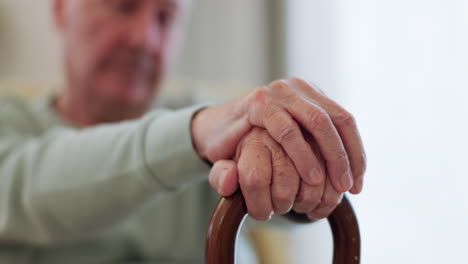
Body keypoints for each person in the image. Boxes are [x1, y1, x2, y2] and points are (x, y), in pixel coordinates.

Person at [0, 0, 366, 263]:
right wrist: (194, 136)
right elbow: (23, 190)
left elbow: (284, 203)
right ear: (61, 9)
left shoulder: (213, 116)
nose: (144, 38)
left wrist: (292, 160)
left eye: (166, 17)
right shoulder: (10, 123)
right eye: (123, 7)